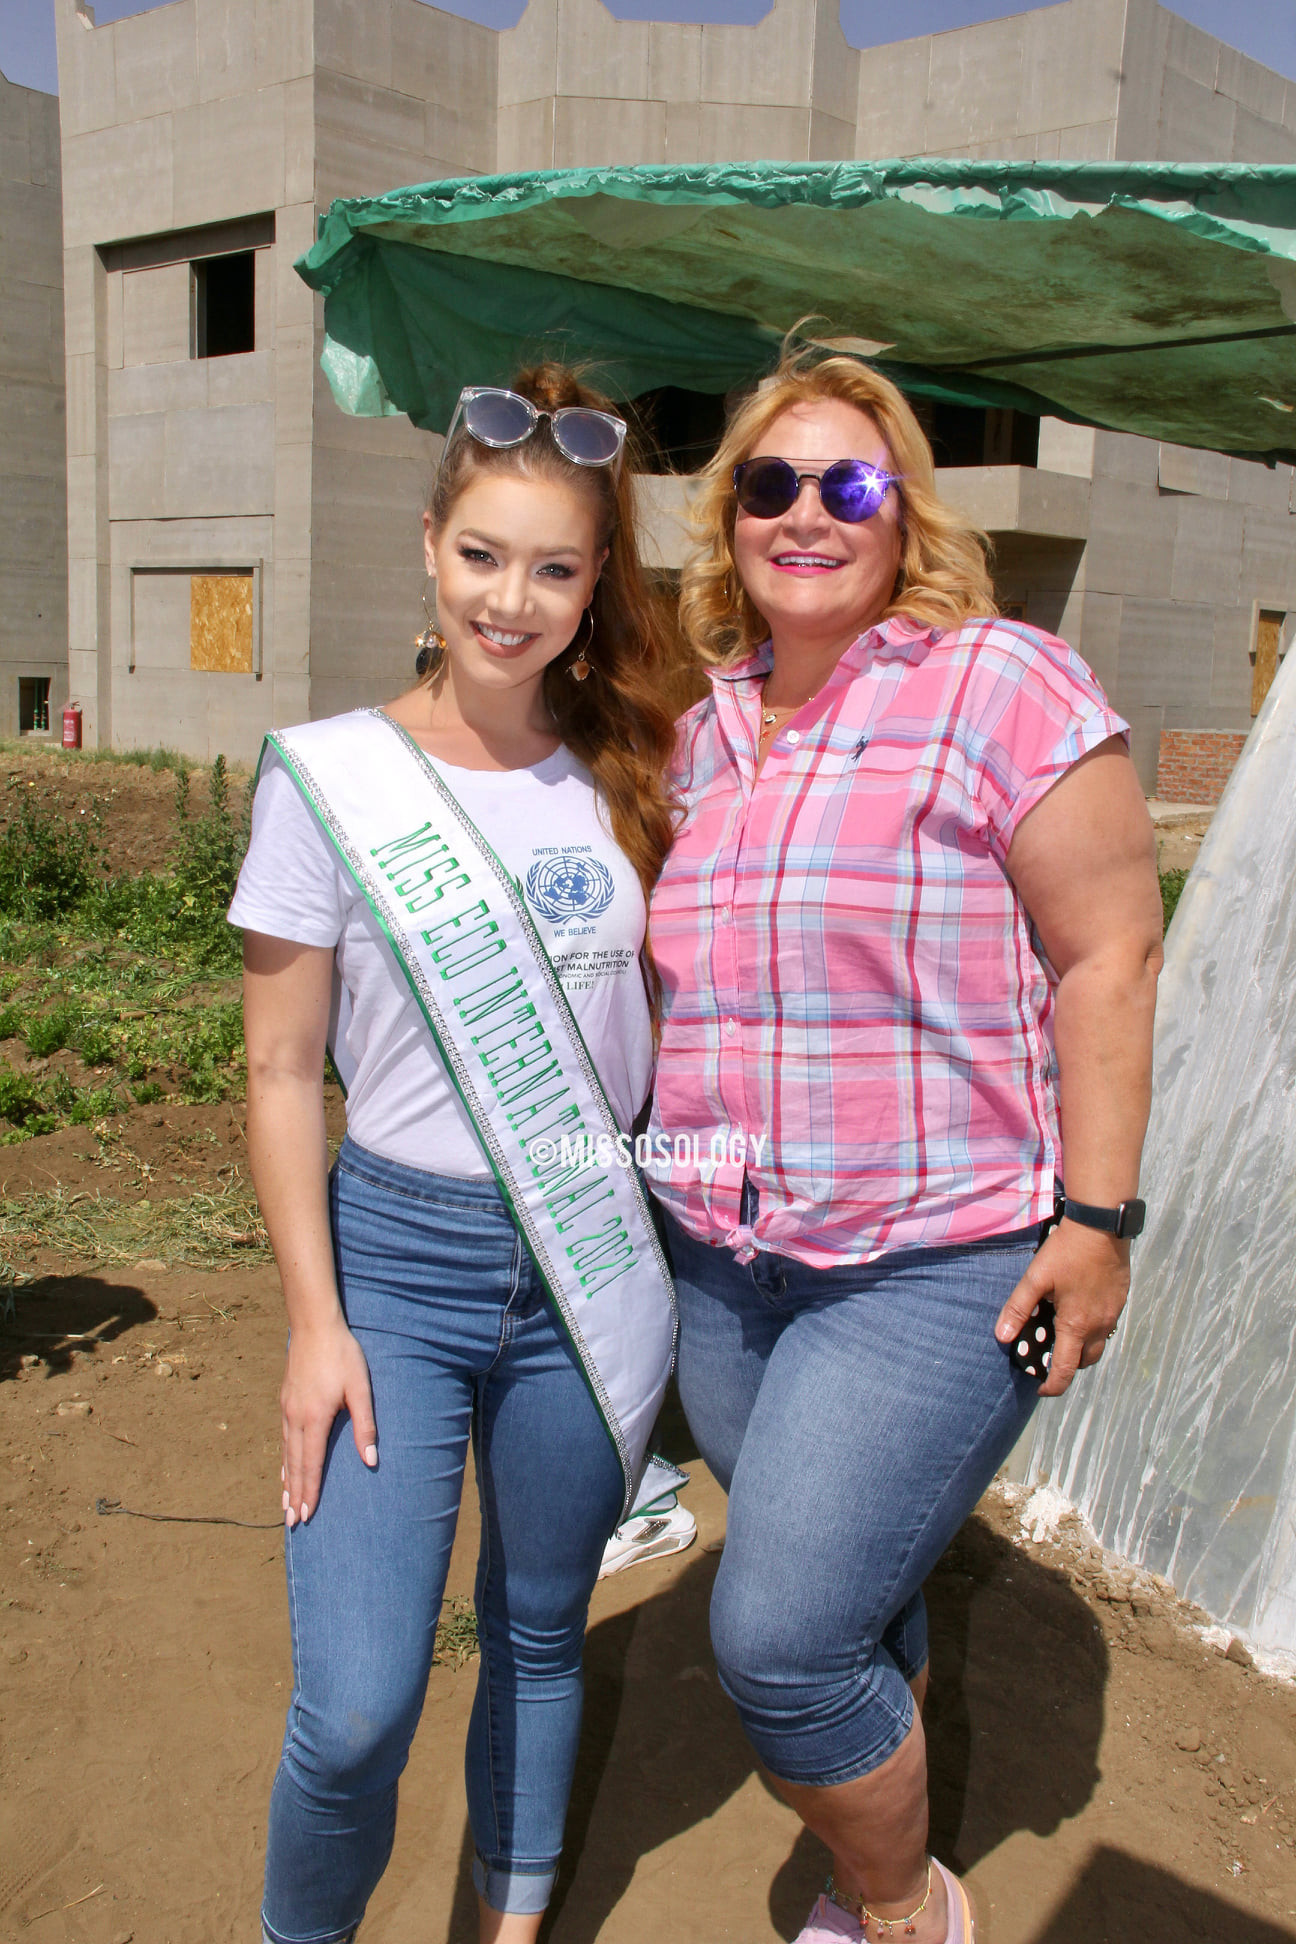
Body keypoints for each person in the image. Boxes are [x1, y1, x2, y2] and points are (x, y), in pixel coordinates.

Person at [643, 353, 1163, 1943]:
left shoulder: (1002, 684)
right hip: (727, 1265)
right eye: (769, 484)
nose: (807, 512)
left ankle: (900, 1906)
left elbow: (1112, 958)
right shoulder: (702, 733)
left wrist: (1097, 1216)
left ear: (905, 512)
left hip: (938, 1261)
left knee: (784, 1633)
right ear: (729, 519)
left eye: (848, 484)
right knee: (850, 1585)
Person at [230, 365, 679, 1944]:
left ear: (597, 581)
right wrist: (316, 1323)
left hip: (586, 1262)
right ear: (430, 547)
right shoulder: (328, 778)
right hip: (395, 1275)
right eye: (484, 555)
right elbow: (283, 1069)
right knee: (354, 1707)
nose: (515, 598)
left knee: (541, 1634)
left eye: (556, 567)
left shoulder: (637, 776)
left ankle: (509, 1922)